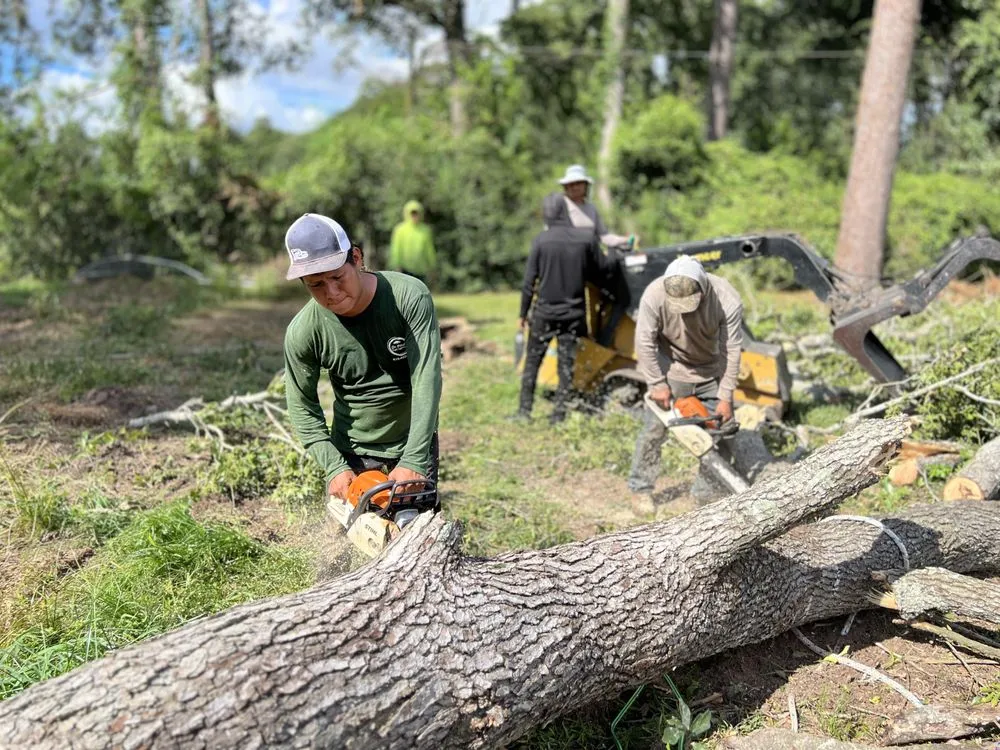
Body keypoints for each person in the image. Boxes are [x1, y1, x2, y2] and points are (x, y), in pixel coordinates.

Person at [282, 213, 442, 508]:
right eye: (316, 285)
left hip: (411, 443)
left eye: (337, 277)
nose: (331, 293)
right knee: (356, 544)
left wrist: (415, 459)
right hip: (350, 452)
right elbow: (302, 407)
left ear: (356, 258)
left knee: (416, 538)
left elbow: (426, 377)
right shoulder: (304, 332)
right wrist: (334, 466)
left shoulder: (407, 297)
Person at [627, 255, 744, 499]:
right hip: (671, 368)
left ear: (703, 290)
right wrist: (657, 383)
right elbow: (644, 342)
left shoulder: (727, 299)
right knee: (654, 430)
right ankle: (641, 489)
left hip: (711, 371)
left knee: (719, 429)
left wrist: (725, 396)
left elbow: (730, 351)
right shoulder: (654, 296)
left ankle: (705, 494)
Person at [516, 193, 620, 424]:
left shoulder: (541, 241)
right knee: (566, 366)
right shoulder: (585, 239)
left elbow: (528, 282)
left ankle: (524, 412)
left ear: (546, 213)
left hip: (544, 313)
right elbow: (601, 272)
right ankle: (559, 415)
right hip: (573, 315)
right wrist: (615, 255)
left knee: (533, 362)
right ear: (566, 210)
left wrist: (523, 314)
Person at [557, 164, 635, 251]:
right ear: (566, 187)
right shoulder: (560, 207)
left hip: (590, 255)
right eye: (571, 184)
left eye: (578, 183)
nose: (575, 187)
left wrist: (624, 240)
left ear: (586, 185)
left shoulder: (591, 208)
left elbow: (604, 236)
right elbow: (552, 236)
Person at [388, 200, 437, 286]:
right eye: (412, 213)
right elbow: (396, 249)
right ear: (407, 213)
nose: (415, 216)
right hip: (404, 269)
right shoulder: (400, 229)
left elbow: (429, 250)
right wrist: (396, 265)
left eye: (417, 213)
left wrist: (432, 266)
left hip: (421, 270)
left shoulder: (425, 230)